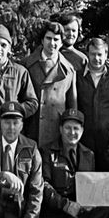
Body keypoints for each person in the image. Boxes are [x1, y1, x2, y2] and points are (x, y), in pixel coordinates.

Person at [38, 108, 102, 218]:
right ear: (60, 129)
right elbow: (43, 185)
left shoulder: (89, 155)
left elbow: (91, 183)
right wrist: (64, 204)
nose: (71, 132)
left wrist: (90, 201)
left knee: (104, 206)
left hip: (79, 212)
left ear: (82, 130)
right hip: (55, 213)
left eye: (76, 128)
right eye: (67, 128)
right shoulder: (46, 152)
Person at [23, 20, 78, 150]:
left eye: (56, 40)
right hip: (31, 129)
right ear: (42, 40)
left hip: (55, 132)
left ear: (61, 43)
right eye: (48, 38)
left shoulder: (69, 70)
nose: (52, 43)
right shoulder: (26, 65)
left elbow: (72, 106)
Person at [77, 36, 109, 170]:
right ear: (87, 54)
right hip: (83, 141)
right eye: (93, 54)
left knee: (108, 185)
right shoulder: (77, 78)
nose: (96, 58)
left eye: (100, 54)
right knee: (85, 182)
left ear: (106, 54)